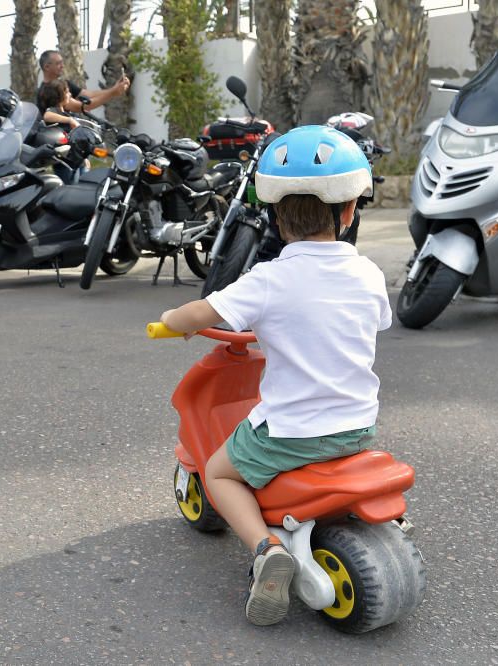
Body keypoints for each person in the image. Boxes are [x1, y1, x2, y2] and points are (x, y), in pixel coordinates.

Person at [159, 126, 389, 627]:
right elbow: (376, 321)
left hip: (293, 432)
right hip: (357, 427)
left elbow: (204, 312)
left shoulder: (268, 279)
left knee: (220, 472)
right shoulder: (369, 274)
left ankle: (265, 549)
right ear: (349, 211)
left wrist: (173, 322)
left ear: (274, 216)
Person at [36, 49, 129, 114]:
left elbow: (87, 95)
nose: (62, 66)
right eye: (58, 63)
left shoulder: (64, 84)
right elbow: (82, 107)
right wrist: (113, 92)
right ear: (47, 67)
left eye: (62, 62)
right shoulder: (48, 90)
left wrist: (115, 88)